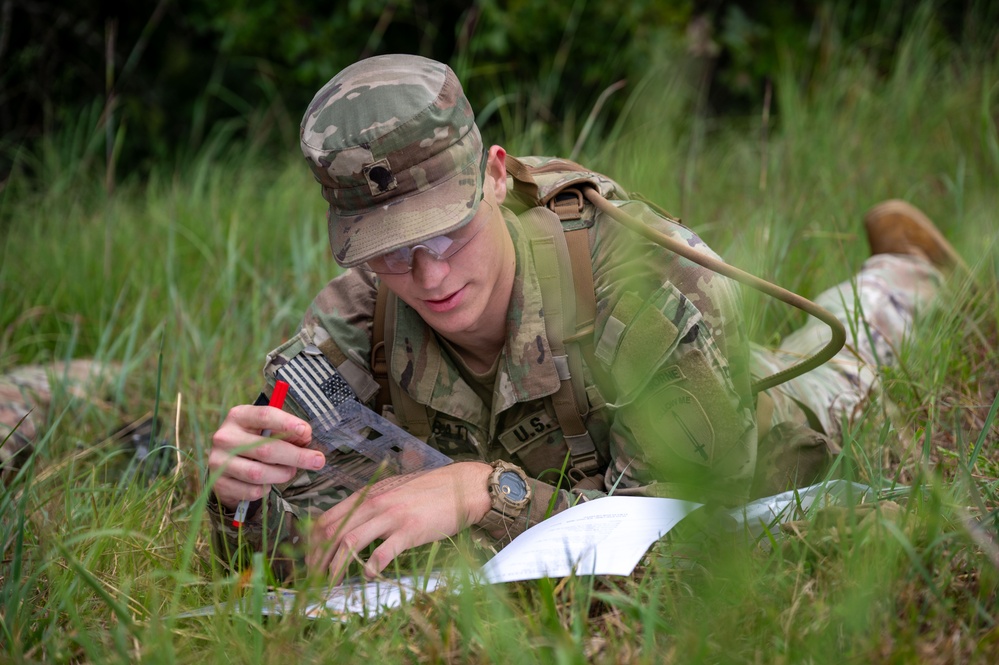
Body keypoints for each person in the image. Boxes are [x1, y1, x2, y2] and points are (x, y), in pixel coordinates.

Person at [205, 54, 962, 582]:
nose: (429, 275)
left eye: (448, 232)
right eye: (393, 252)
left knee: (839, 372)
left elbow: (694, 531)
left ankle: (909, 277)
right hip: (589, 461)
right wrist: (239, 501)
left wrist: (483, 494)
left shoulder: (636, 278)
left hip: (743, 427)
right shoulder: (353, 320)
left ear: (496, 176)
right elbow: (278, 546)